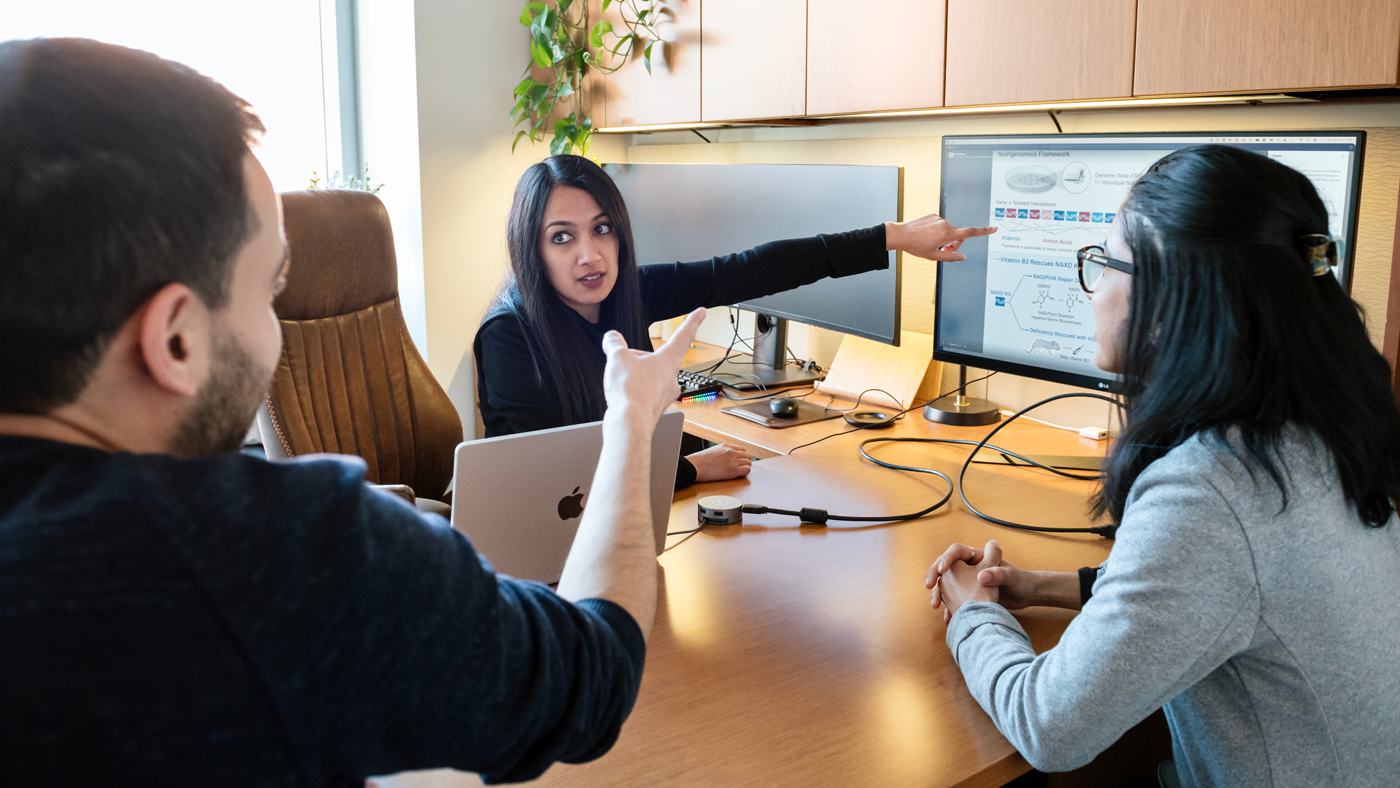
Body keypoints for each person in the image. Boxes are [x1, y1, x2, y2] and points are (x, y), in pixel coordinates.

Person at [0, 37, 702, 785]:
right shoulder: (288, 558)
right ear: (175, 338)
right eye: (271, 291)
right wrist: (631, 419)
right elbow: (587, 680)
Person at [926, 146, 1400, 786]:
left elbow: (1050, 727)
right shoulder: (1326, 428)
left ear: (1174, 296)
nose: (1092, 292)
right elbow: (1240, 592)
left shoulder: (1214, 488)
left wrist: (971, 611)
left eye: (1104, 263)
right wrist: (1040, 587)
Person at [474, 155, 996, 488]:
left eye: (602, 229)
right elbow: (559, 483)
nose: (590, 255)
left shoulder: (627, 291)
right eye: (562, 237)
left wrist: (893, 236)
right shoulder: (510, 337)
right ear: (532, 248)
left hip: (619, 533)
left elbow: (753, 268)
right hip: (542, 560)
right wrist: (691, 471)